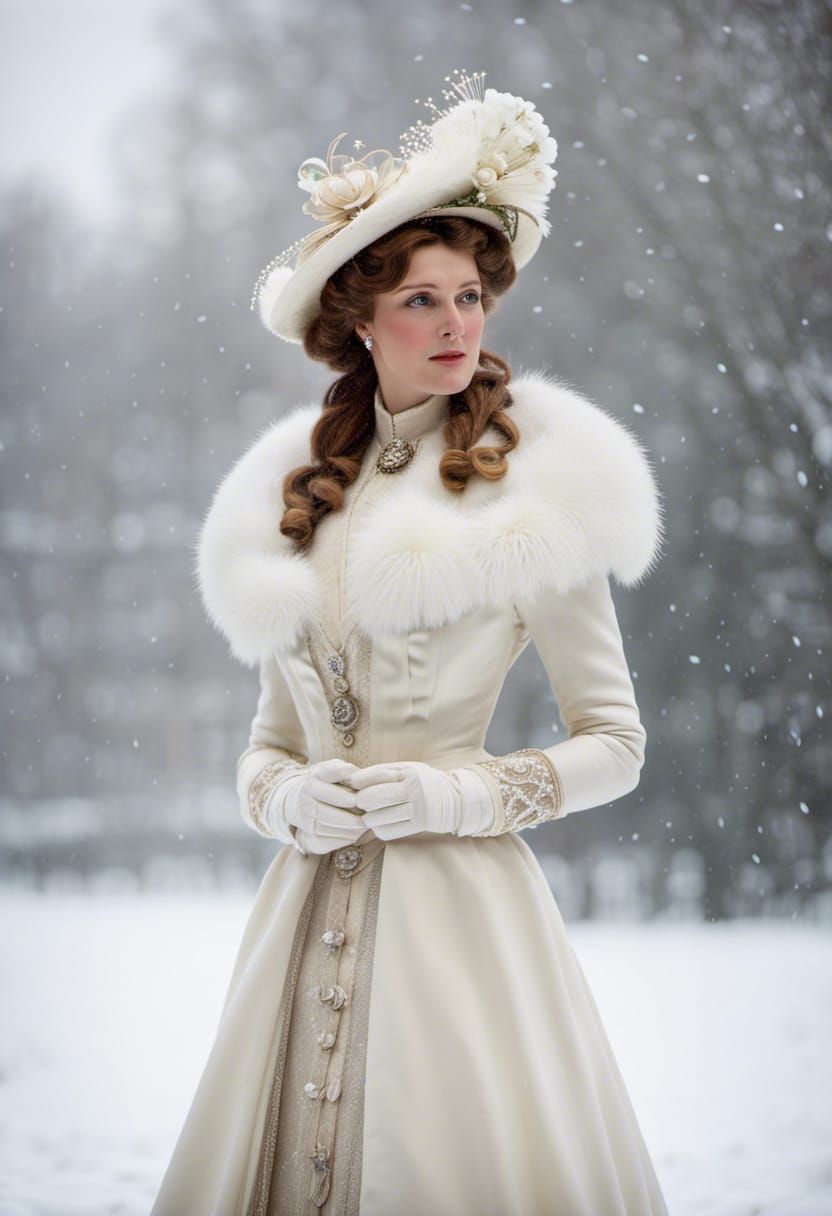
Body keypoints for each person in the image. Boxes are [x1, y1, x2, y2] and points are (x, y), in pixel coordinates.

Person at [152, 69, 669, 1215]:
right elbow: (268, 745)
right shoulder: (296, 495)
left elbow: (616, 741)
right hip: (301, 925)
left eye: (469, 296)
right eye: (421, 300)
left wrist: (463, 794)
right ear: (360, 320)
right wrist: (285, 801)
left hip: (462, 934)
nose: (455, 324)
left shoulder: (540, 488)